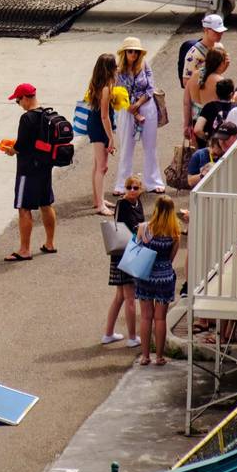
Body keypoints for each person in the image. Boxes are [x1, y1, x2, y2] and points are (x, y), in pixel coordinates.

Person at [2, 83, 57, 261]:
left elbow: (21, 145)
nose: (19, 104)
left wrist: (11, 150)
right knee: (46, 204)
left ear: (26, 98)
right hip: (45, 166)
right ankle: (50, 243)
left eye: (18, 100)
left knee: (24, 208)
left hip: (27, 170)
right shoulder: (47, 114)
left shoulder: (27, 118)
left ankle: (24, 249)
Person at [133, 195, 186, 366]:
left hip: (146, 275)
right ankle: (160, 356)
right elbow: (171, 257)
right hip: (164, 276)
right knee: (160, 319)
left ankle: (145, 356)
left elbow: (137, 250)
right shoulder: (174, 232)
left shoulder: (144, 228)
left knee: (146, 317)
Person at [114, 37, 164, 195]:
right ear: (124, 53)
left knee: (150, 146)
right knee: (126, 147)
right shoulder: (118, 70)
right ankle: (123, 183)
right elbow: (118, 91)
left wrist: (138, 104)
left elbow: (150, 88)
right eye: (130, 51)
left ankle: (153, 181)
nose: (133, 54)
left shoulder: (144, 65)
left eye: (136, 51)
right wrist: (131, 107)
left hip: (146, 106)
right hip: (126, 109)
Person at [101, 176, 145, 348]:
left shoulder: (138, 203)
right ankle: (132, 337)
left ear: (141, 189)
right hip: (125, 252)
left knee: (120, 296)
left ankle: (109, 333)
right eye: (129, 187)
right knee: (129, 297)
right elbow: (121, 227)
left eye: (135, 188)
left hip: (131, 251)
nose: (132, 191)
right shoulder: (123, 204)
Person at [180, 13, 228, 132]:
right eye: (216, 32)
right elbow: (187, 81)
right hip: (200, 106)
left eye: (221, 32)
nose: (220, 35)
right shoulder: (193, 54)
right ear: (206, 30)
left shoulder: (219, 47)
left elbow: (219, 73)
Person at [84, 53, 118, 216]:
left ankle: (98, 199)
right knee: (102, 167)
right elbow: (104, 116)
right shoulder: (106, 88)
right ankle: (99, 205)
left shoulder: (98, 84)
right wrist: (111, 137)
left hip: (95, 123)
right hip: (100, 126)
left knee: (98, 165)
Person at [186, 47, 230, 146]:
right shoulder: (219, 81)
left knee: (200, 153)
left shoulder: (195, 75)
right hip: (210, 122)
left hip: (196, 120)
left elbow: (186, 102)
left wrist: (187, 124)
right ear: (221, 63)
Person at [193, 78, 235, 145]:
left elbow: (197, 129)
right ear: (232, 94)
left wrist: (207, 139)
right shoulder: (236, 108)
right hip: (231, 145)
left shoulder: (209, 107)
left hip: (214, 146)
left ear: (217, 93)